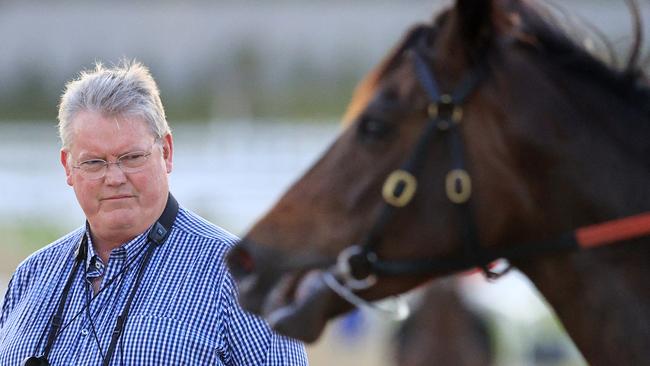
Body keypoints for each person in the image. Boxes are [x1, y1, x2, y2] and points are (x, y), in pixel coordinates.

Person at [0, 61, 308, 365]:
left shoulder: (244, 277)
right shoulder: (30, 278)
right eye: (94, 162)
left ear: (167, 152)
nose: (114, 177)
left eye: (131, 157)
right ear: (68, 166)